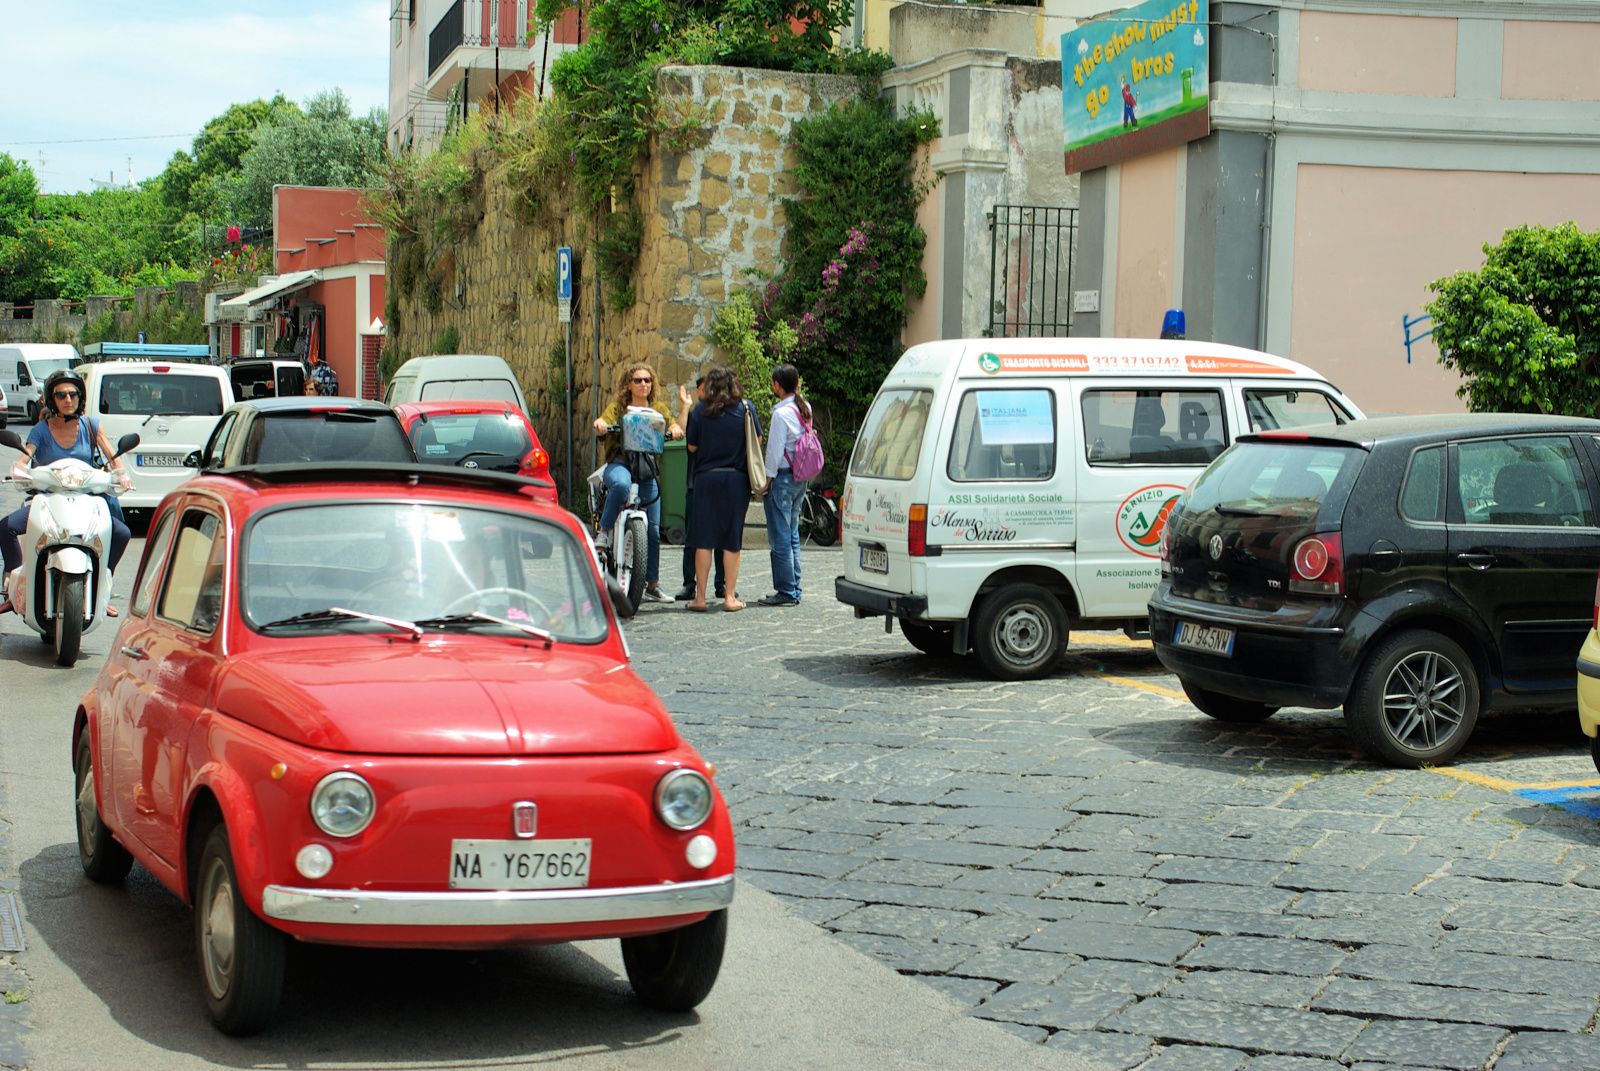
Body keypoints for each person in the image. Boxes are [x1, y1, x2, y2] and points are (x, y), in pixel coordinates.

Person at [1, 369, 133, 617]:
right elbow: (25, 457)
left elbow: (113, 458)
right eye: (61, 395)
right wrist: (18, 469)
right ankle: (15, 588)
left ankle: (102, 588)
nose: (68, 399)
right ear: (52, 399)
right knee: (6, 527)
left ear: (80, 397)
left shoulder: (92, 426)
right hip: (49, 499)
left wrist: (122, 475)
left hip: (86, 499)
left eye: (73, 394)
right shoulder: (41, 429)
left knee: (122, 533)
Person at [593, 363, 683, 603]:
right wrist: (601, 425)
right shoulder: (618, 408)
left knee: (653, 530)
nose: (644, 384)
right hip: (621, 464)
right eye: (638, 380)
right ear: (629, 384)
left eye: (647, 380)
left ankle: (652, 584)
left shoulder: (658, 408)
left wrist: (674, 426)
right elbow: (603, 422)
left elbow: (671, 422)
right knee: (620, 486)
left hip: (647, 469)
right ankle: (604, 531)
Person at [683, 366, 755, 612]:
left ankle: (700, 598)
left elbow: (691, 446)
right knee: (732, 540)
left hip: (706, 479)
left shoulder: (700, 411)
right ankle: (730, 597)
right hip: (736, 479)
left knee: (703, 540)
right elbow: (756, 441)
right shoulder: (746, 408)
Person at [757, 364, 810, 607]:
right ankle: (794, 587)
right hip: (801, 477)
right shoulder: (804, 407)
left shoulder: (780, 414)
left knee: (780, 537)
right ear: (797, 383)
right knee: (792, 535)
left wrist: (766, 482)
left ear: (777, 386)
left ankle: (787, 590)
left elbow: (774, 452)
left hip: (784, 478)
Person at [674, 374, 729, 602]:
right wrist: (685, 407)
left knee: (722, 538)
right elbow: (684, 434)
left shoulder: (725, 413)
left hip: (719, 484)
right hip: (695, 485)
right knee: (693, 537)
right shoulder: (696, 413)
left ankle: (722, 584)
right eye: (702, 389)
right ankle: (690, 583)